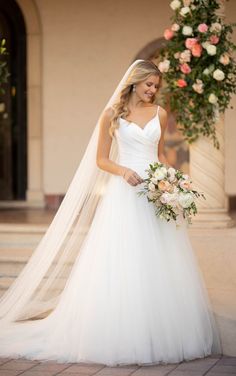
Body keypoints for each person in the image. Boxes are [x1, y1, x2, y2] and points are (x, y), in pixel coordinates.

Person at [0, 60, 221, 366]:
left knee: (158, 259)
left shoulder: (161, 114)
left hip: (155, 193)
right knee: (125, 259)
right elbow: (101, 159)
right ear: (135, 82)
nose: (152, 90)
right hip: (125, 193)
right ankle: (123, 333)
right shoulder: (111, 116)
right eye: (148, 85)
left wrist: (174, 182)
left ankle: (157, 331)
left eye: (156, 86)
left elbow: (159, 155)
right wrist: (122, 171)